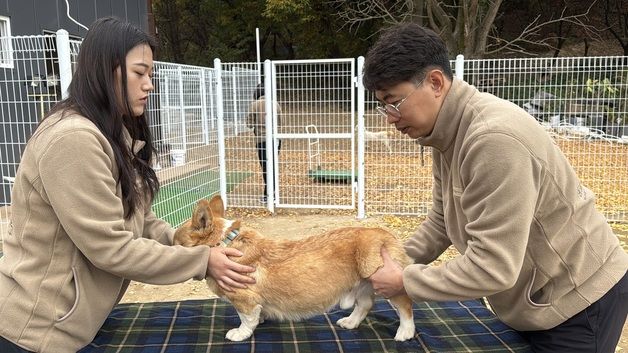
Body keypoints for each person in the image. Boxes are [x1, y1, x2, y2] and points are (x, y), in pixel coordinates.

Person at [365, 23, 627, 352]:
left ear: (434, 82)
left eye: (394, 102)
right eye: (383, 105)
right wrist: (392, 261)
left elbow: (493, 267)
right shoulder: (446, 132)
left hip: (579, 300)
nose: (389, 117)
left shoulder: (493, 139)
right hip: (534, 300)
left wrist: (405, 280)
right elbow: (442, 221)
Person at [0, 17, 255, 353]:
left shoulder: (111, 133)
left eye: (151, 74)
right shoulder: (73, 139)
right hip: (36, 330)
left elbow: (137, 218)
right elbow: (109, 246)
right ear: (107, 71)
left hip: (69, 322)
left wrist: (187, 242)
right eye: (139, 73)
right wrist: (202, 262)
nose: (149, 84)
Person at [246, 83, 281, 203]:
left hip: (262, 140)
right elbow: (280, 122)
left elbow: (249, 124)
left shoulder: (254, 105)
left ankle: (268, 195)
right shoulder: (275, 104)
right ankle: (274, 192)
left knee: (265, 167)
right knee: (273, 164)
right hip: (276, 139)